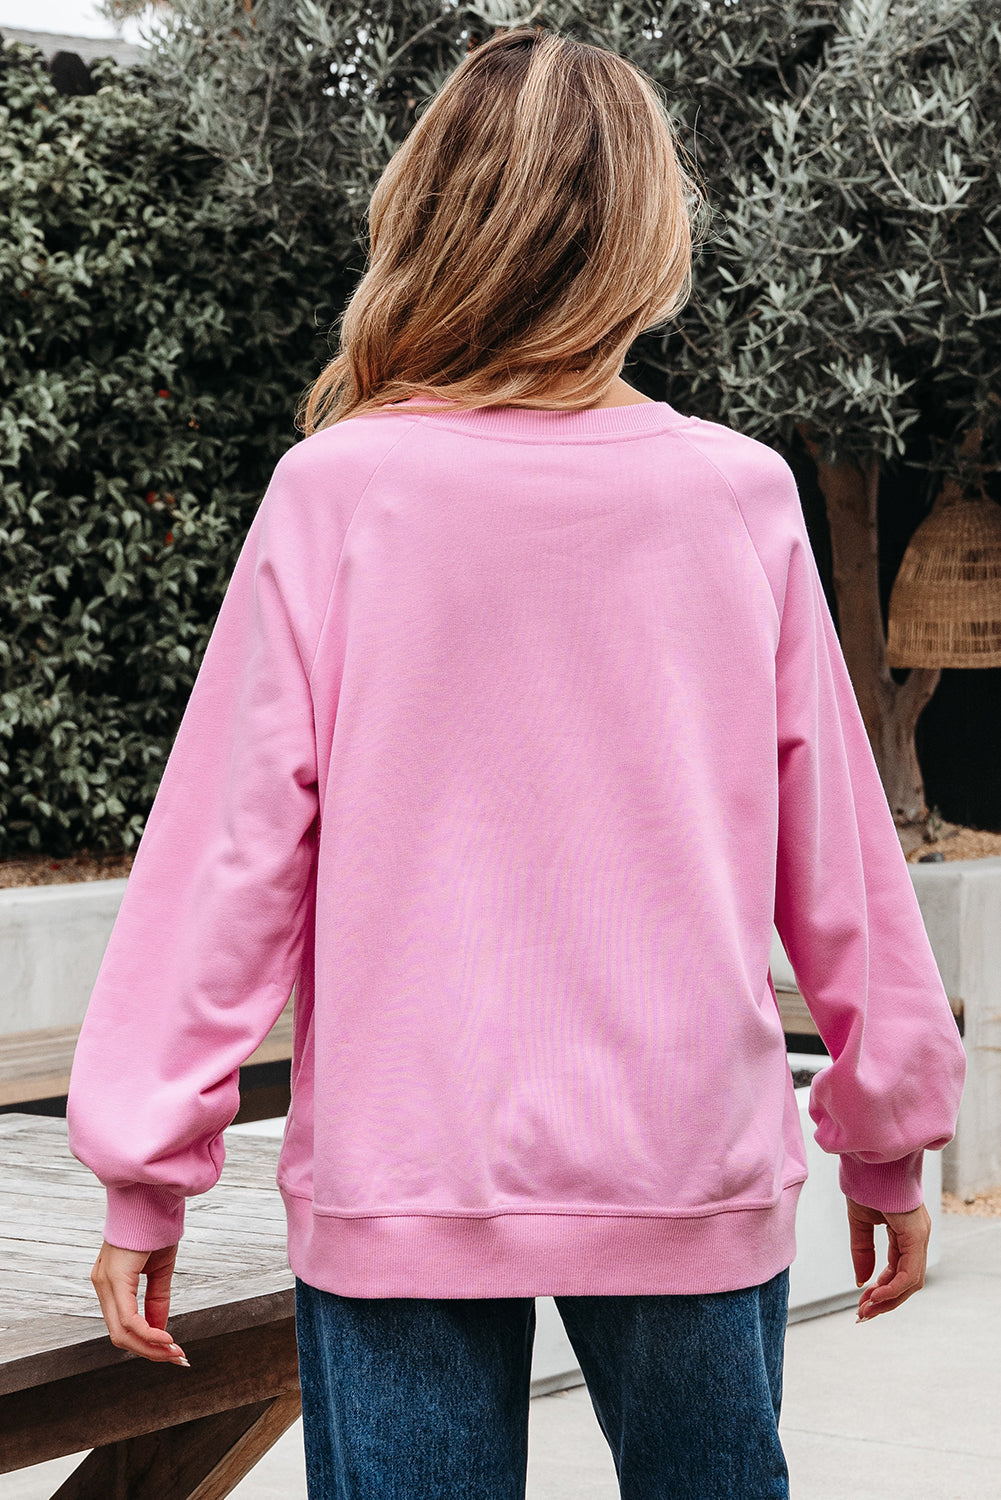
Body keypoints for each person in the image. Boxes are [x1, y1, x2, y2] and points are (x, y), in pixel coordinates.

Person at [66, 24, 966, 1499]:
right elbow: (841, 857)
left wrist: (146, 1169)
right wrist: (885, 1130)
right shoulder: (732, 497)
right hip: (684, 1160)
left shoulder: (340, 491)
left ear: (426, 215)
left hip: (402, 1173)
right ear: (648, 233)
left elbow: (231, 859)